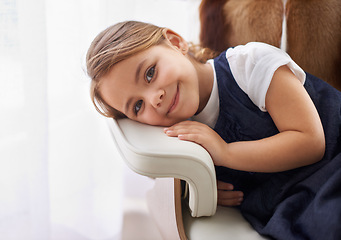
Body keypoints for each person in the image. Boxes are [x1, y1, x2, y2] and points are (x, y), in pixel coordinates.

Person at [86, 21, 341, 240]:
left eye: (150, 73)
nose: (155, 99)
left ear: (176, 42)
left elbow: (311, 142)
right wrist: (201, 184)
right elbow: (167, 177)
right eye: (138, 106)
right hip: (289, 202)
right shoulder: (178, 132)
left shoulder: (248, 64)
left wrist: (225, 153)